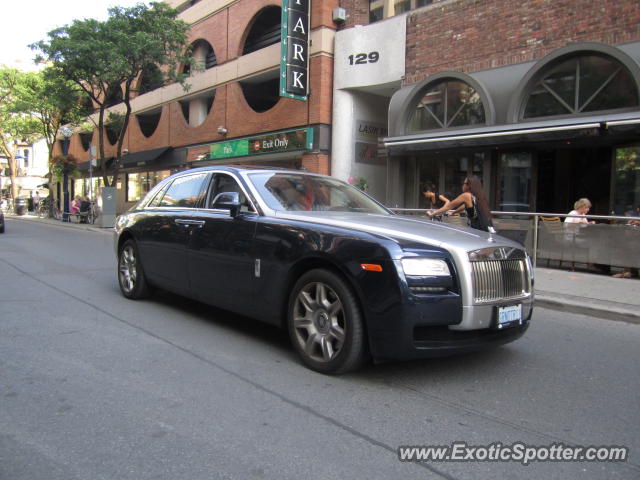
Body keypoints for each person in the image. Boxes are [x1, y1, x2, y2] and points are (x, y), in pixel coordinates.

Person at [427, 176, 494, 232]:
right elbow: (465, 206)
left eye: (464, 183)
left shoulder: (466, 195)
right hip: (487, 229)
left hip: (479, 231)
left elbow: (448, 207)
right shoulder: (478, 196)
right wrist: (453, 213)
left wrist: (432, 214)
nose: (462, 185)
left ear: (468, 186)